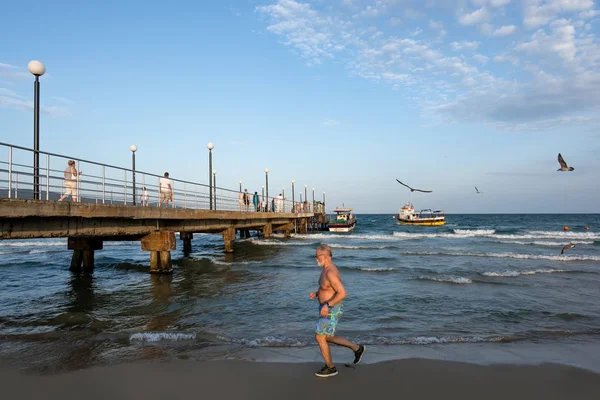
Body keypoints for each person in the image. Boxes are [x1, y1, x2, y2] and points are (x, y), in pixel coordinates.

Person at [310, 245, 365, 378]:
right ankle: (357, 348)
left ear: (324, 256)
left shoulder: (331, 272)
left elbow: (342, 293)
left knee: (319, 336)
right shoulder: (325, 270)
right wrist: (318, 293)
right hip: (325, 307)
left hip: (331, 308)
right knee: (327, 337)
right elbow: (327, 288)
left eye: (317, 256)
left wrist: (327, 305)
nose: (315, 258)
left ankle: (331, 368)